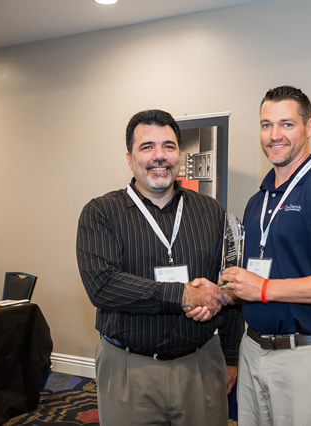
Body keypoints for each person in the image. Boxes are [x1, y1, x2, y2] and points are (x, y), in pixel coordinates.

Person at [77, 109, 242, 425]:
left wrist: (231, 357)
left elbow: (230, 286)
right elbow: (103, 286)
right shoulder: (101, 213)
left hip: (201, 365)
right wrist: (182, 295)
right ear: (130, 158)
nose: (159, 156)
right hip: (129, 367)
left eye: (168, 146)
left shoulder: (212, 211)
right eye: (147, 147)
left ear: (180, 153)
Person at [220, 85, 311, 426]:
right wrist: (223, 293)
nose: (275, 135)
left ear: (309, 127)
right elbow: (260, 276)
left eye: (287, 124)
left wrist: (263, 289)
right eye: (266, 125)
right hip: (253, 351)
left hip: (306, 357)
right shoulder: (259, 199)